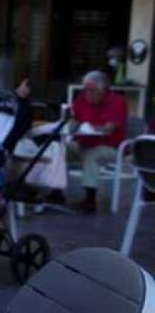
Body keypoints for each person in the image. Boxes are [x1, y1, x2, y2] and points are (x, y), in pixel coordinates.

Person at [68, 70, 128, 213]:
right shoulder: (82, 99)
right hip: (83, 143)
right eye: (86, 90)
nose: (88, 94)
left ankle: (90, 200)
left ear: (105, 90)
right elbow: (73, 121)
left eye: (93, 91)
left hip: (110, 147)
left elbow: (108, 129)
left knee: (92, 154)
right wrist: (70, 126)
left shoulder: (117, 102)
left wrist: (88, 127)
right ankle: (55, 191)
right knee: (60, 148)